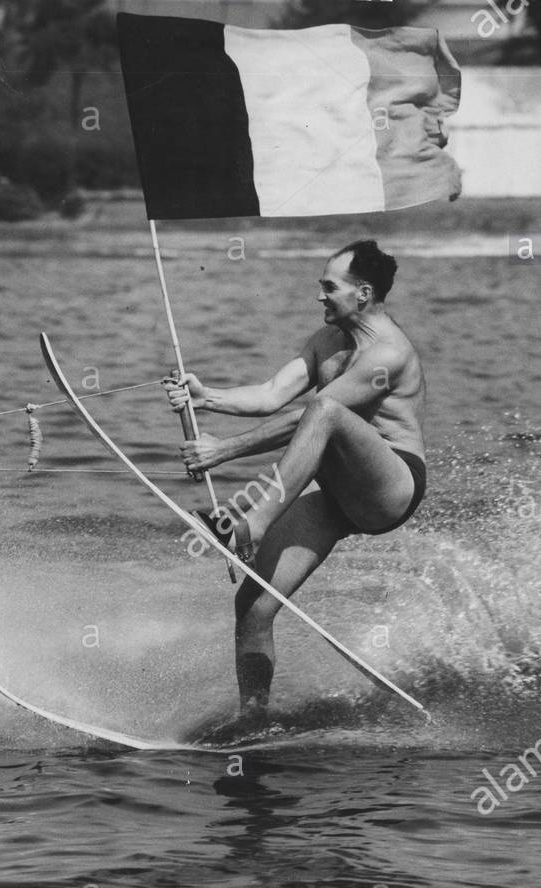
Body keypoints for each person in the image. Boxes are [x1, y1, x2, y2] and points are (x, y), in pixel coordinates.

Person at [165, 240, 427, 716]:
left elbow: (311, 417)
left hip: (389, 488)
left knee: (324, 407)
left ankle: (251, 527)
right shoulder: (326, 341)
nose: (320, 297)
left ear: (363, 293)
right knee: (253, 605)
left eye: (330, 287)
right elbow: (270, 396)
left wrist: (223, 450)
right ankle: (254, 717)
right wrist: (207, 398)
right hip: (336, 495)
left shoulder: (388, 354)